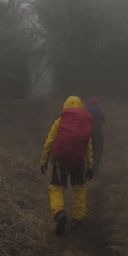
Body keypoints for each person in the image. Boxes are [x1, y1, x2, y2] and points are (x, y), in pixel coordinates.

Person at [39, 95, 95, 236]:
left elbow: (49, 143)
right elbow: (88, 147)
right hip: (78, 161)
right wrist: (90, 166)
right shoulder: (84, 125)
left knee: (56, 188)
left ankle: (59, 212)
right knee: (80, 189)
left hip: (60, 160)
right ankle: (78, 218)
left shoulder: (59, 122)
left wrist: (43, 161)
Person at [85, 97, 106, 176]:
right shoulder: (100, 113)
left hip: (88, 135)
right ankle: (95, 169)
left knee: (89, 152)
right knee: (98, 152)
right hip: (98, 136)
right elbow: (104, 120)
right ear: (98, 104)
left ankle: (88, 168)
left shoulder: (86, 112)